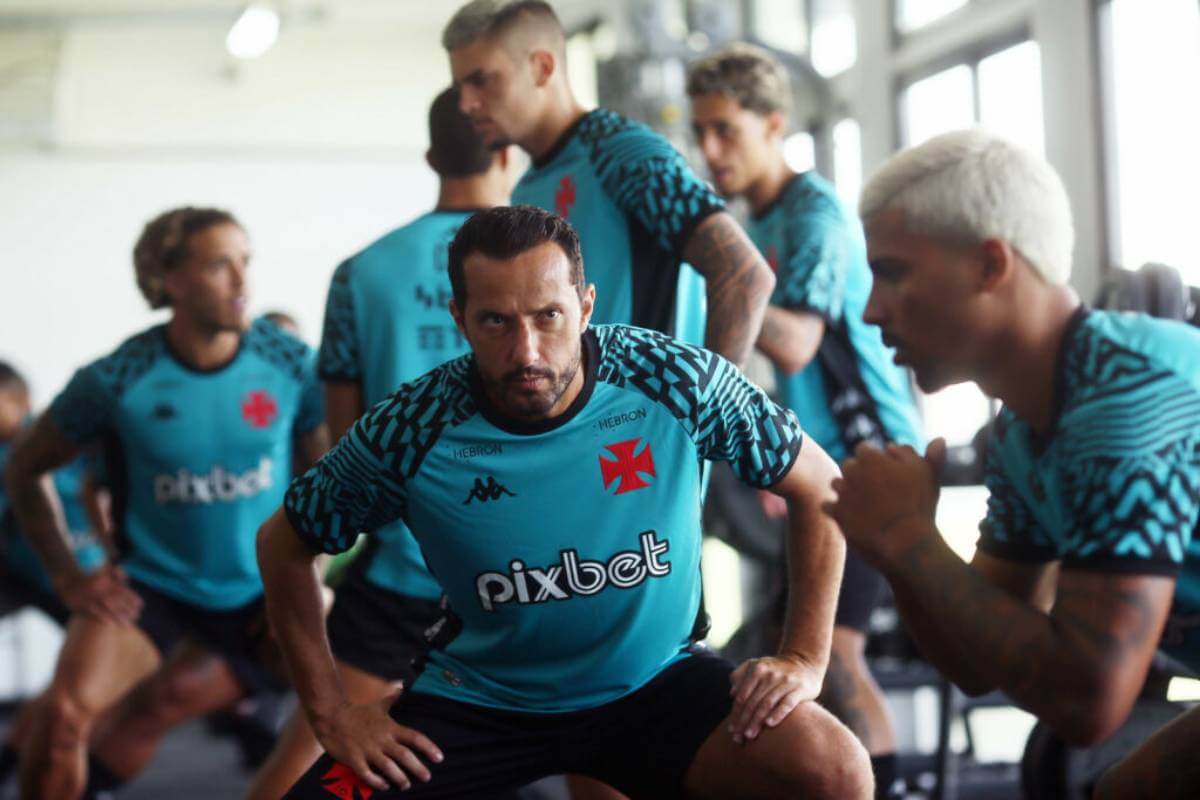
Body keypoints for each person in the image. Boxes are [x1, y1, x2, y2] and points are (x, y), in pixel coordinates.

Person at [262, 205, 871, 798]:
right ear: (460, 318)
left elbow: (819, 485)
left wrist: (804, 657)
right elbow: (283, 544)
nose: (526, 352)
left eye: (548, 316)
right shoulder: (413, 427)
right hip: (478, 702)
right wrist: (333, 715)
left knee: (833, 770)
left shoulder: (676, 382)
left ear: (584, 307)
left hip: (656, 686)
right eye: (497, 322)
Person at [826, 130, 1200, 766]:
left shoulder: (1129, 397)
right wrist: (897, 549)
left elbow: (1089, 704)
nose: (869, 311)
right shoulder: (1022, 431)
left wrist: (905, 537)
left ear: (990, 265)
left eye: (892, 273)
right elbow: (978, 665)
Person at [246, 86, 517, 800]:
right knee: (597, 764)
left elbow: (346, 446)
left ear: (432, 156)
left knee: (311, 766)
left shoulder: (361, 271)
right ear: (510, 149)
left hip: (405, 572)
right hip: (534, 567)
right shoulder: (550, 266)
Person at [4, 206, 328, 799]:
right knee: (61, 718)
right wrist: (71, 579)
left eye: (245, 262)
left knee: (349, 694)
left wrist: (309, 571)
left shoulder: (290, 363)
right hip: (156, 589)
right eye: (218, 265)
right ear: (170, 279)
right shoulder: (117, 377)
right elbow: (27, 468)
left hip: (262, 588)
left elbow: (330, 473)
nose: (241, 282)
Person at [687, 44, 923, 797]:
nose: (711, 151)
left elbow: (795, 338)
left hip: (873, 463)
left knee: (837, 658)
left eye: (727, 130)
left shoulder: (814, 212)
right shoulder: (761, 219)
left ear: (774, 124)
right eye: (702, 133)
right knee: (778, 656)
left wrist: (725, 286)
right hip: (825, 469)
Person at [443, 0, 775, 368]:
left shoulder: (621, 153)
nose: (466, 104)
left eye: (480, 81)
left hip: (652, 420)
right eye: (460, 87)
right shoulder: (526, 190)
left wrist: (711, 410)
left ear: (542, 68)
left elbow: (743, 274)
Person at [0, 361, 108, 787]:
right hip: (32, 579)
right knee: (71, 690)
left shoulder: (67, 441)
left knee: (75, 690)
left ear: (20, 400)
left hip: (86, 582)